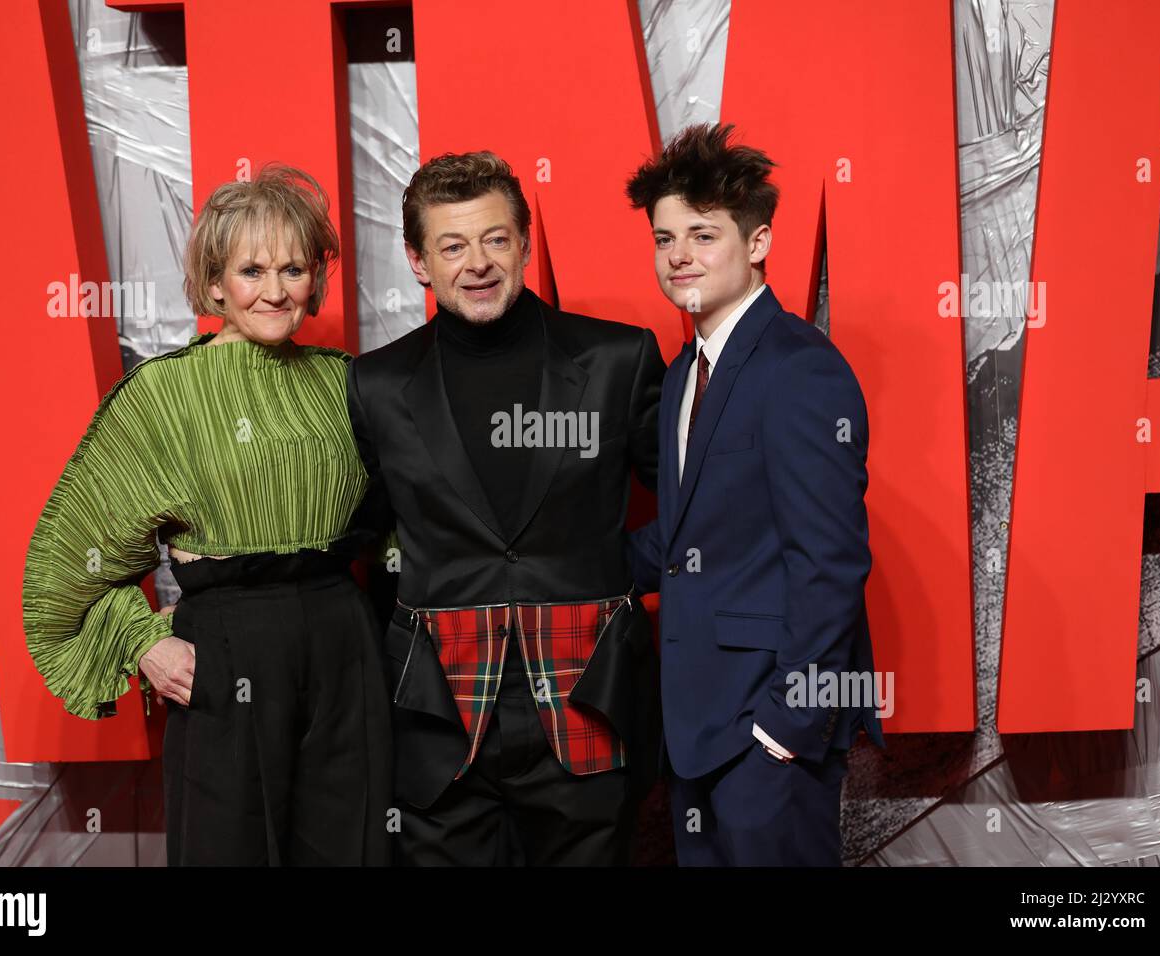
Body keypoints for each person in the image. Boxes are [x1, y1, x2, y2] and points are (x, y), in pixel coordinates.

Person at [21, 163, 392, 866]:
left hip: (345, 644)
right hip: (226, 652)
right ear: (215, 283)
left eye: (294, 268)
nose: (276, 290)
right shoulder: (164, 395)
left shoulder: (349, 382)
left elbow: (408, 519)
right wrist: (141, 641)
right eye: (252, 270)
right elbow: (66, 570)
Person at [347, 150, 665, 865]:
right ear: (419, 261)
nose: (478, 263)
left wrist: (614, 576)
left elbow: (693, 506)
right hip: (438, 718)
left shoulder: (619, 359)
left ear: (524, 242)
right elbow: (355, 538)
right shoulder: (376, 383)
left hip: (589, 700)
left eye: (495, 239)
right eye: (453, 245)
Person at [624, 123, 886, 866]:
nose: (679, 256)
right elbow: (678, 539)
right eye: (664, 237)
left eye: (703, 236)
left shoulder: (799, 369)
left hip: (766, 733)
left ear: (759, 242)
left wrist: (783, 729)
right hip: (696, 727)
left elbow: (830, 563)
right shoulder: (685, 372)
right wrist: (555, 562)